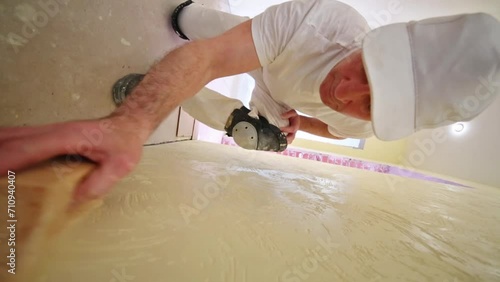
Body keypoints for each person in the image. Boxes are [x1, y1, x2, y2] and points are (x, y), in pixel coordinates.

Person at [0, 0, 498, 201]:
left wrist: (300, 122)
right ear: (374, 43)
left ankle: (150, 90)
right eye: (364, 69)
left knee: (251, 137)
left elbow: (335, 126)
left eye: (368, 103)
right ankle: (190, 17)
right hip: (273, 57)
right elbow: (214, 58)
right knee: (194, 27)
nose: (343, 93)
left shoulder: (361, 128)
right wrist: (130, 124)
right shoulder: (319, 22)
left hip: (277, 102)